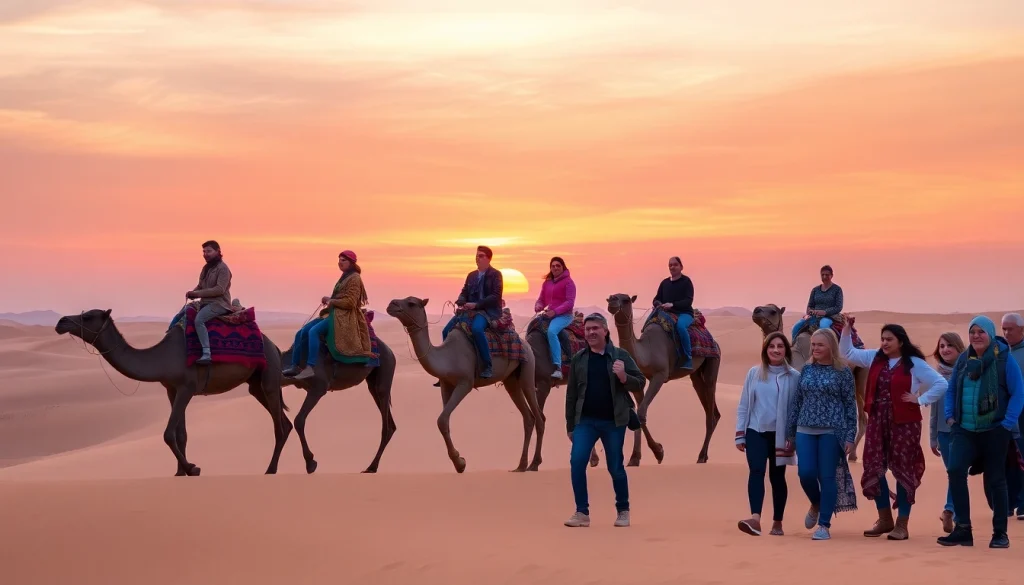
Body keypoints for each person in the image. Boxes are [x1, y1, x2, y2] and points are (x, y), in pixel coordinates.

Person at [840, 319, 949, 540]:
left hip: (905, 424)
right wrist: (846, 330)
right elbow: (848, 353)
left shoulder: (914, 363)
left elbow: (941, 384)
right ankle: (885, 519)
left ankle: (902, 524)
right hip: (877, 421)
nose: (884, 343)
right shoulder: (874, 357)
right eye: (882, 339)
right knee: (873, 466)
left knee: (903, 469)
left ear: (900, 341)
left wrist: (920, 400)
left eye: (889, 339)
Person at [937, 315, 1024, 549]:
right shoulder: (964, 359)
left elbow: (1018, 393)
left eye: (981, 332)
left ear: (990, 333)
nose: (976, 336)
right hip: (964, 429)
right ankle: (963, 529)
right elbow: (952, 389)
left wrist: (1007, 423)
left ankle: (1000, 534)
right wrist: (950, 417)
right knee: (955, 470)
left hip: (995, 429)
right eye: (972, 332)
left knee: (996, 479)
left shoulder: (1004, 359)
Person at [564, 313, 646, 528]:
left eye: (595, 328)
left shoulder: (620, 355)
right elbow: (571, 394)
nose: (591, 332)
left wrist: (624, 377)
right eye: (588, 329)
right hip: (585, 422)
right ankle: (582, 512)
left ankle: (623, 511)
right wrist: (570, 426)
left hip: (614, 422)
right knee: (577, 462)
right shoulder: (579, 358)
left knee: (615, 467)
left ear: (605, 331)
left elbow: (640, 382)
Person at [786, 328, 859, 541]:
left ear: (831, 347)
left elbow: (850, 405)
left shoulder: (843, 372)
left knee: (827, 477)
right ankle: (816, 503)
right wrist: (791, 433)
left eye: (820, 345)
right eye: (813, 344)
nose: (815, 348)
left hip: (832, 430)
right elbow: (798, 401)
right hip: (804, 428)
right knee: (806, 473)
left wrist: (850, 436)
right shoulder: (807, 369)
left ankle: (824, 525)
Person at [735, 331, 801, 536]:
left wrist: (793, 437)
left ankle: (777, 523)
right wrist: (740, 433)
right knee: (756, 471)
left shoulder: (794, 377)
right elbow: (744, 404)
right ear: (765, 350)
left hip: (781, 436)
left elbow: (797, 410)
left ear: (786, 350)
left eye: (780, 346)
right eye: (771, 346)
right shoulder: (754, 373)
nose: (776, 350)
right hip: (755, 431)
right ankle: (755, 519)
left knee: (777, 477)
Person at [284, 250, 373, 379]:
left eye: (344, 260)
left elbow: (351, 302)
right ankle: (295, 366)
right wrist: (330, 299)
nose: (340, 263)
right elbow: (341, 297)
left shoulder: (355, 278)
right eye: (339, 260)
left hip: (344, 316)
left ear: (351, 263)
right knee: (301, 333)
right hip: (333, 313)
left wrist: (331, 301)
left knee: (313, 332)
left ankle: (311, 367)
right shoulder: (345, 277)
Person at [439, 246, 504, 381]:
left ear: (488, 258)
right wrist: (461, 301)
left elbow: (496, 296)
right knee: (446, 331)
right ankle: (449, 367)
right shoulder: (471, 275)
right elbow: (464, 292)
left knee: (477, 329)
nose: (477, 258)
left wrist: (477, 304)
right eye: (476, 256)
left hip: (487, 311)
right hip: (469, 310)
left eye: (481, 256)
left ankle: (487, 365)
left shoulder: (496, 275)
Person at [168, 240, 233, 365]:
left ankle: (207, 353)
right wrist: (192, 292)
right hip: (205, 302)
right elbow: (201, 285)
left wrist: (197, 294)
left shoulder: (223, 269)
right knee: (184, 311)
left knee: (199, 320)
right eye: (204, 251)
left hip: (220, 304)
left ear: (218, 251)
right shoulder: (206, 268)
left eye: (209, 251)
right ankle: (170, 335)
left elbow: (220, 289)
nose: (205, 254)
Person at [931, 332, 967, 533]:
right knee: (955, 473)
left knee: (957, 472)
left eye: (949, 345)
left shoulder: (967, 371)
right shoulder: (936, 376)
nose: (945, 349)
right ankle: (952, 511)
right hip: (943, 434)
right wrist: (932, 438)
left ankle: (951, 511)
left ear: (959, 347)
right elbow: (934, 409)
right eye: (942, 346)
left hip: (964, 431)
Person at [534, 256, 577, 379]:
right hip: (549, 314)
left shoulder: (569, 282)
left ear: (563, 267)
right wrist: (538, 305)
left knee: (552, 331)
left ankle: (558, 367)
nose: (555, 268)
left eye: (558, 265)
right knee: (533, 328)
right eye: (553, 266)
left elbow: (570, 302)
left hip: (564, 316)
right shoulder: (547, 283)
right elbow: (542, 299)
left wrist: (555, 312)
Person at [1000, 313, 1024, 520]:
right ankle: (1007, 503)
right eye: (1004, 329)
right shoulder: (1002, 353)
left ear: (1022, 330)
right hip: (1004, 416)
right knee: (1007, 461)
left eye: (1010, 329)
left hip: (1022, 415)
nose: (1006, 333)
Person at [652, 256, 695, 369]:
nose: (672, 267)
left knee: (680, 326)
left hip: (684, 313)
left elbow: (688, 301)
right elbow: (656, 299)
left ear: (681, 267)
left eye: (675, 265)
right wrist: (658, 304)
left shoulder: (686, 282)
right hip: (666, 313)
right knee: (651, 324)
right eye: (670, 265)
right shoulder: (664, 283)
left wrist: (672, 304)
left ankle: (688, 358)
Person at [791, 265, 844, 342]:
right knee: (796, 327)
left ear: (832, 276)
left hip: (830, 317)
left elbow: (838, 307)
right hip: (814, 316)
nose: (824, 277)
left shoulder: (837, 289)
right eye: (822, 275)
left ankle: (828, 346)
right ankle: (793, 346)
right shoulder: (815, 290)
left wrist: (824, 312)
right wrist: (811, 311)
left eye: (827, 275)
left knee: (823, 326)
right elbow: (810, 305)